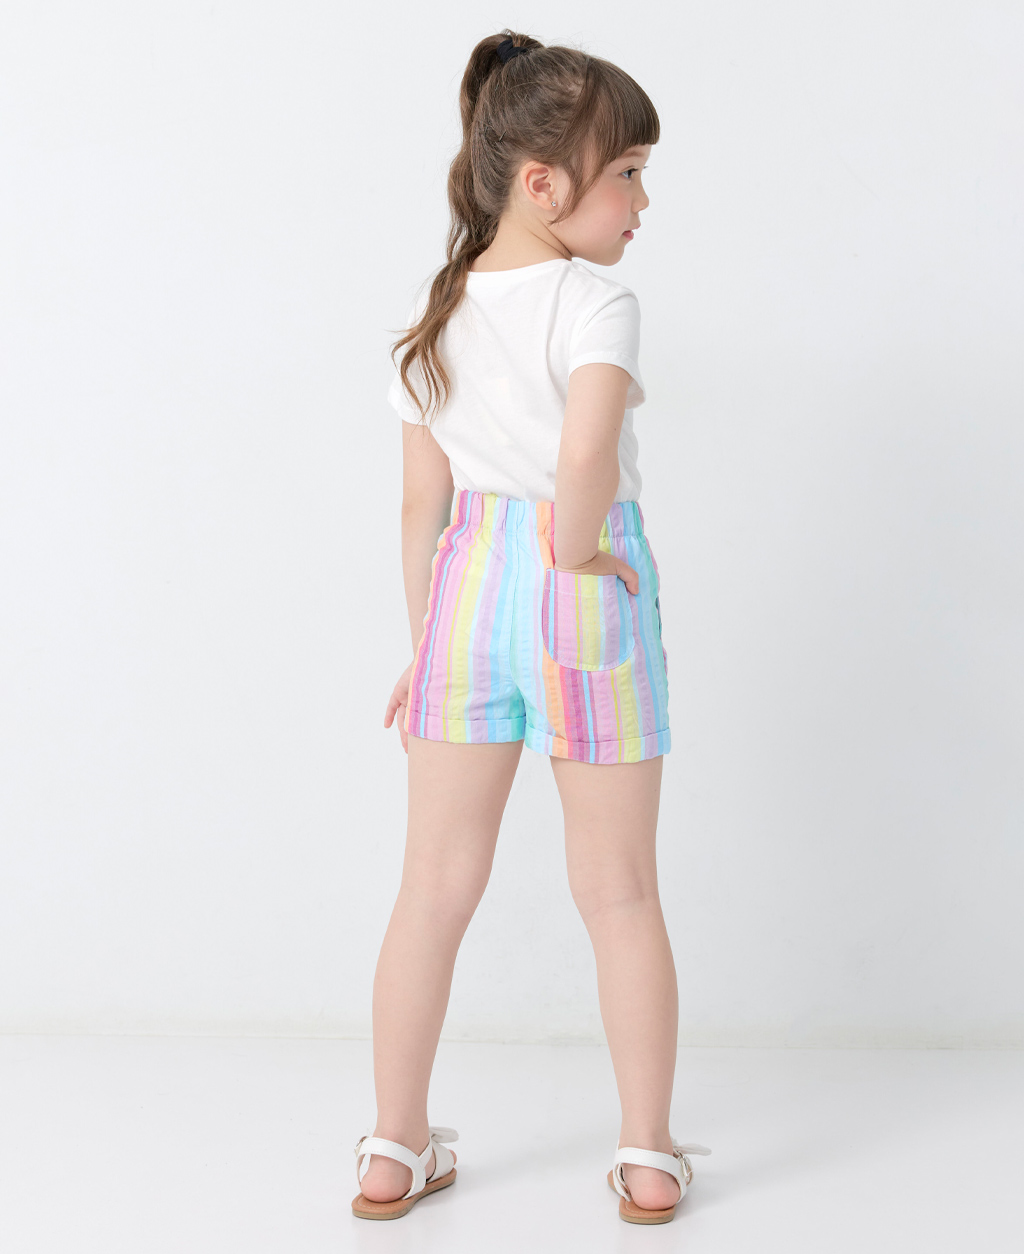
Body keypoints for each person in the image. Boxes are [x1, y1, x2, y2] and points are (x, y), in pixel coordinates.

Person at [351, 29, 710, 1226]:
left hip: (463, 596)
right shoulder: (596, 302)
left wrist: (426, 646)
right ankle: (647, 1155)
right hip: (576, 587)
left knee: (430, 889)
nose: (643, 203)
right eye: (630, 174)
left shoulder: (438, 310)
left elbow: (420, 505)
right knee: (620, 893)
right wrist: (578, 553)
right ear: (543, 183)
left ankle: (392, 1148)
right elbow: (585, 456)